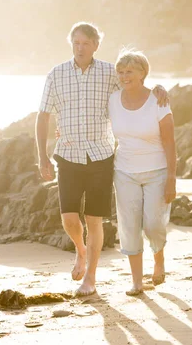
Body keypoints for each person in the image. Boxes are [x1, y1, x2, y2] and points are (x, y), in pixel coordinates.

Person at [35, 22, 168, 296]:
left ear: (96, 45)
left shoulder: (110, 72)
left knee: (94, 220)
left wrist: (158, 88)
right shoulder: (56, 74)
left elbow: (134, 82)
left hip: (101, 156)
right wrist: (42, 157)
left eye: (85, 43)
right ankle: (80, 250)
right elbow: (43, 115)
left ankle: (91, 279)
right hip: (68, 154)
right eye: (76, 43)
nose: (80, 48)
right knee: (70, 219)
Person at [108, 49, 176, 296]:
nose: (124, 76)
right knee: (129, 226)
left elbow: (170, 142)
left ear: (142, 74)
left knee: (153, 223)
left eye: (130, 72)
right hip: (124, 171)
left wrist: (171, 179)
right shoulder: (113, 99)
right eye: (121, 72)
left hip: (157, 171)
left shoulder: (158, 101)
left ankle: (159, 259)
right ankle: (137, 281)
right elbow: (91, 118)